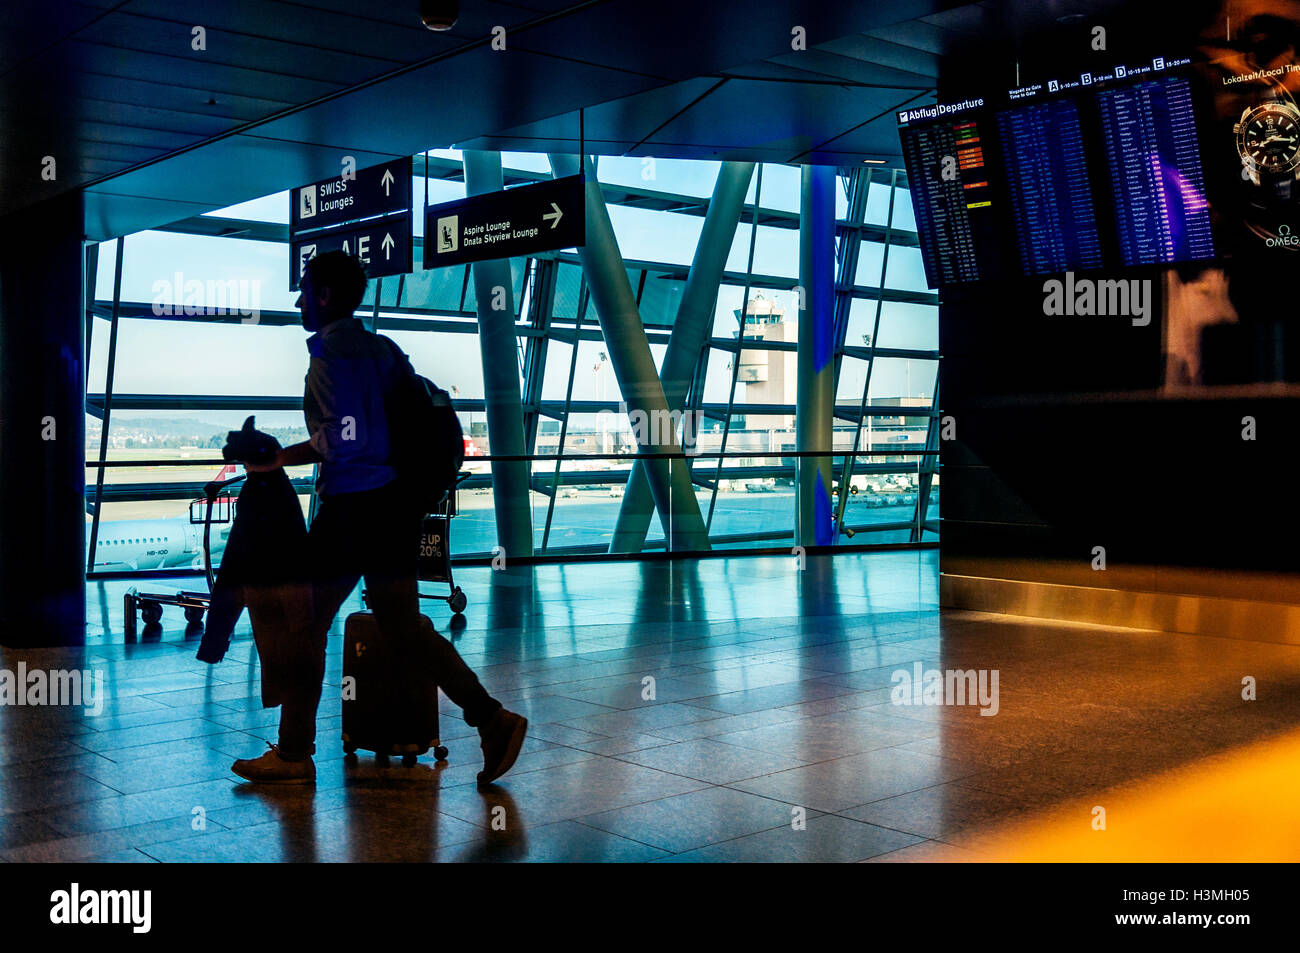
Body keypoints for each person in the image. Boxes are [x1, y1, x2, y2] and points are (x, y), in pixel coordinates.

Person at [231, 251, 527, 787]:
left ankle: (295, 754)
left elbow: (350, 441)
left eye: (304, 290)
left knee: (304, 625)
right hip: (395, 507)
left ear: (323, 296)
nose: (299, 300)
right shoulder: (382, 349)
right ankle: (492, 719)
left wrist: (281, 457)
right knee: (402, 628)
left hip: (353, 511)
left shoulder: (330, 357)